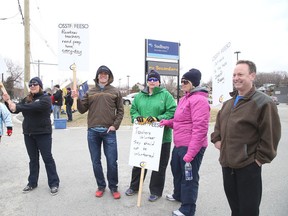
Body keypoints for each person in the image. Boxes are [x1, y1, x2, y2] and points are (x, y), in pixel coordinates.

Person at [211, 60, 281, 216]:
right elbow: (219, 125)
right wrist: (216, 139)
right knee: (235, 209)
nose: (236, 78)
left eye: (240, 74)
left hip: (248, 167)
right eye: (234, 75)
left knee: (248, 211)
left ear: (252, 76)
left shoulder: (264, 102)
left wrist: (258, 160)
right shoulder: (228, 103)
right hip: (227, 165)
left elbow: (271, 136)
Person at [160, 69, 210, 216]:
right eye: (181, 81)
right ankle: (178, 195)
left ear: (194, 83)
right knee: (176, 170)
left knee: (189, 177)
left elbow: (200, 129)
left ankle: (188, 209)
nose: (182, 84)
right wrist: (168, 122)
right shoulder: (184, 99)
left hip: (192, 146)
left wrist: (191, 153)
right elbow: (180, 121)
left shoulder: (199, 100)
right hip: (180, 144)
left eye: (185, 82)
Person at [72, 65, 124, 199]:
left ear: (109, 76)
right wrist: (76, 99)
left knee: (112, 161)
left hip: (109, 132)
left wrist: (115, 125)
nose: (103, 75)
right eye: (100, 73)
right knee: (96, 161)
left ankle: (113, 187)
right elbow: (82, 110)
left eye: (105, 73)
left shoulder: (115, 91)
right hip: (93, 132)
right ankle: (101, 186)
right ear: (97, 76)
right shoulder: (90, 92)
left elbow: (120, 110)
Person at [3, 77, 60, 195]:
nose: (32, 86)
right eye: (30, 85)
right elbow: (14, 110)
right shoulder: (26, 99)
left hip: (43, 133)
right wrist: (8, 102)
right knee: (33, 160)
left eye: (35, 84)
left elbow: (34, 107)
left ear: (40, 86)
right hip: (29, 134)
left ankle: (54, 183)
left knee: (47, 158)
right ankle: (32, 182)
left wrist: (17, 106)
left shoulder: (45, 98)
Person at [125, 70, 176, 202]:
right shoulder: (140, 96)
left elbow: (172, 111)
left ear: (159, 81)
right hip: (143, 136)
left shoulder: (165, 95)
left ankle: (156, 191)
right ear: (147, 81)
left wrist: (157, 119)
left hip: (162, 137)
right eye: (150, 79)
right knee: (139, 163)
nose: (152, 82)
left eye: (155, 79)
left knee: (159, 165)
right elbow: (133, 110)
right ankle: (134, 187)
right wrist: (138, 118)